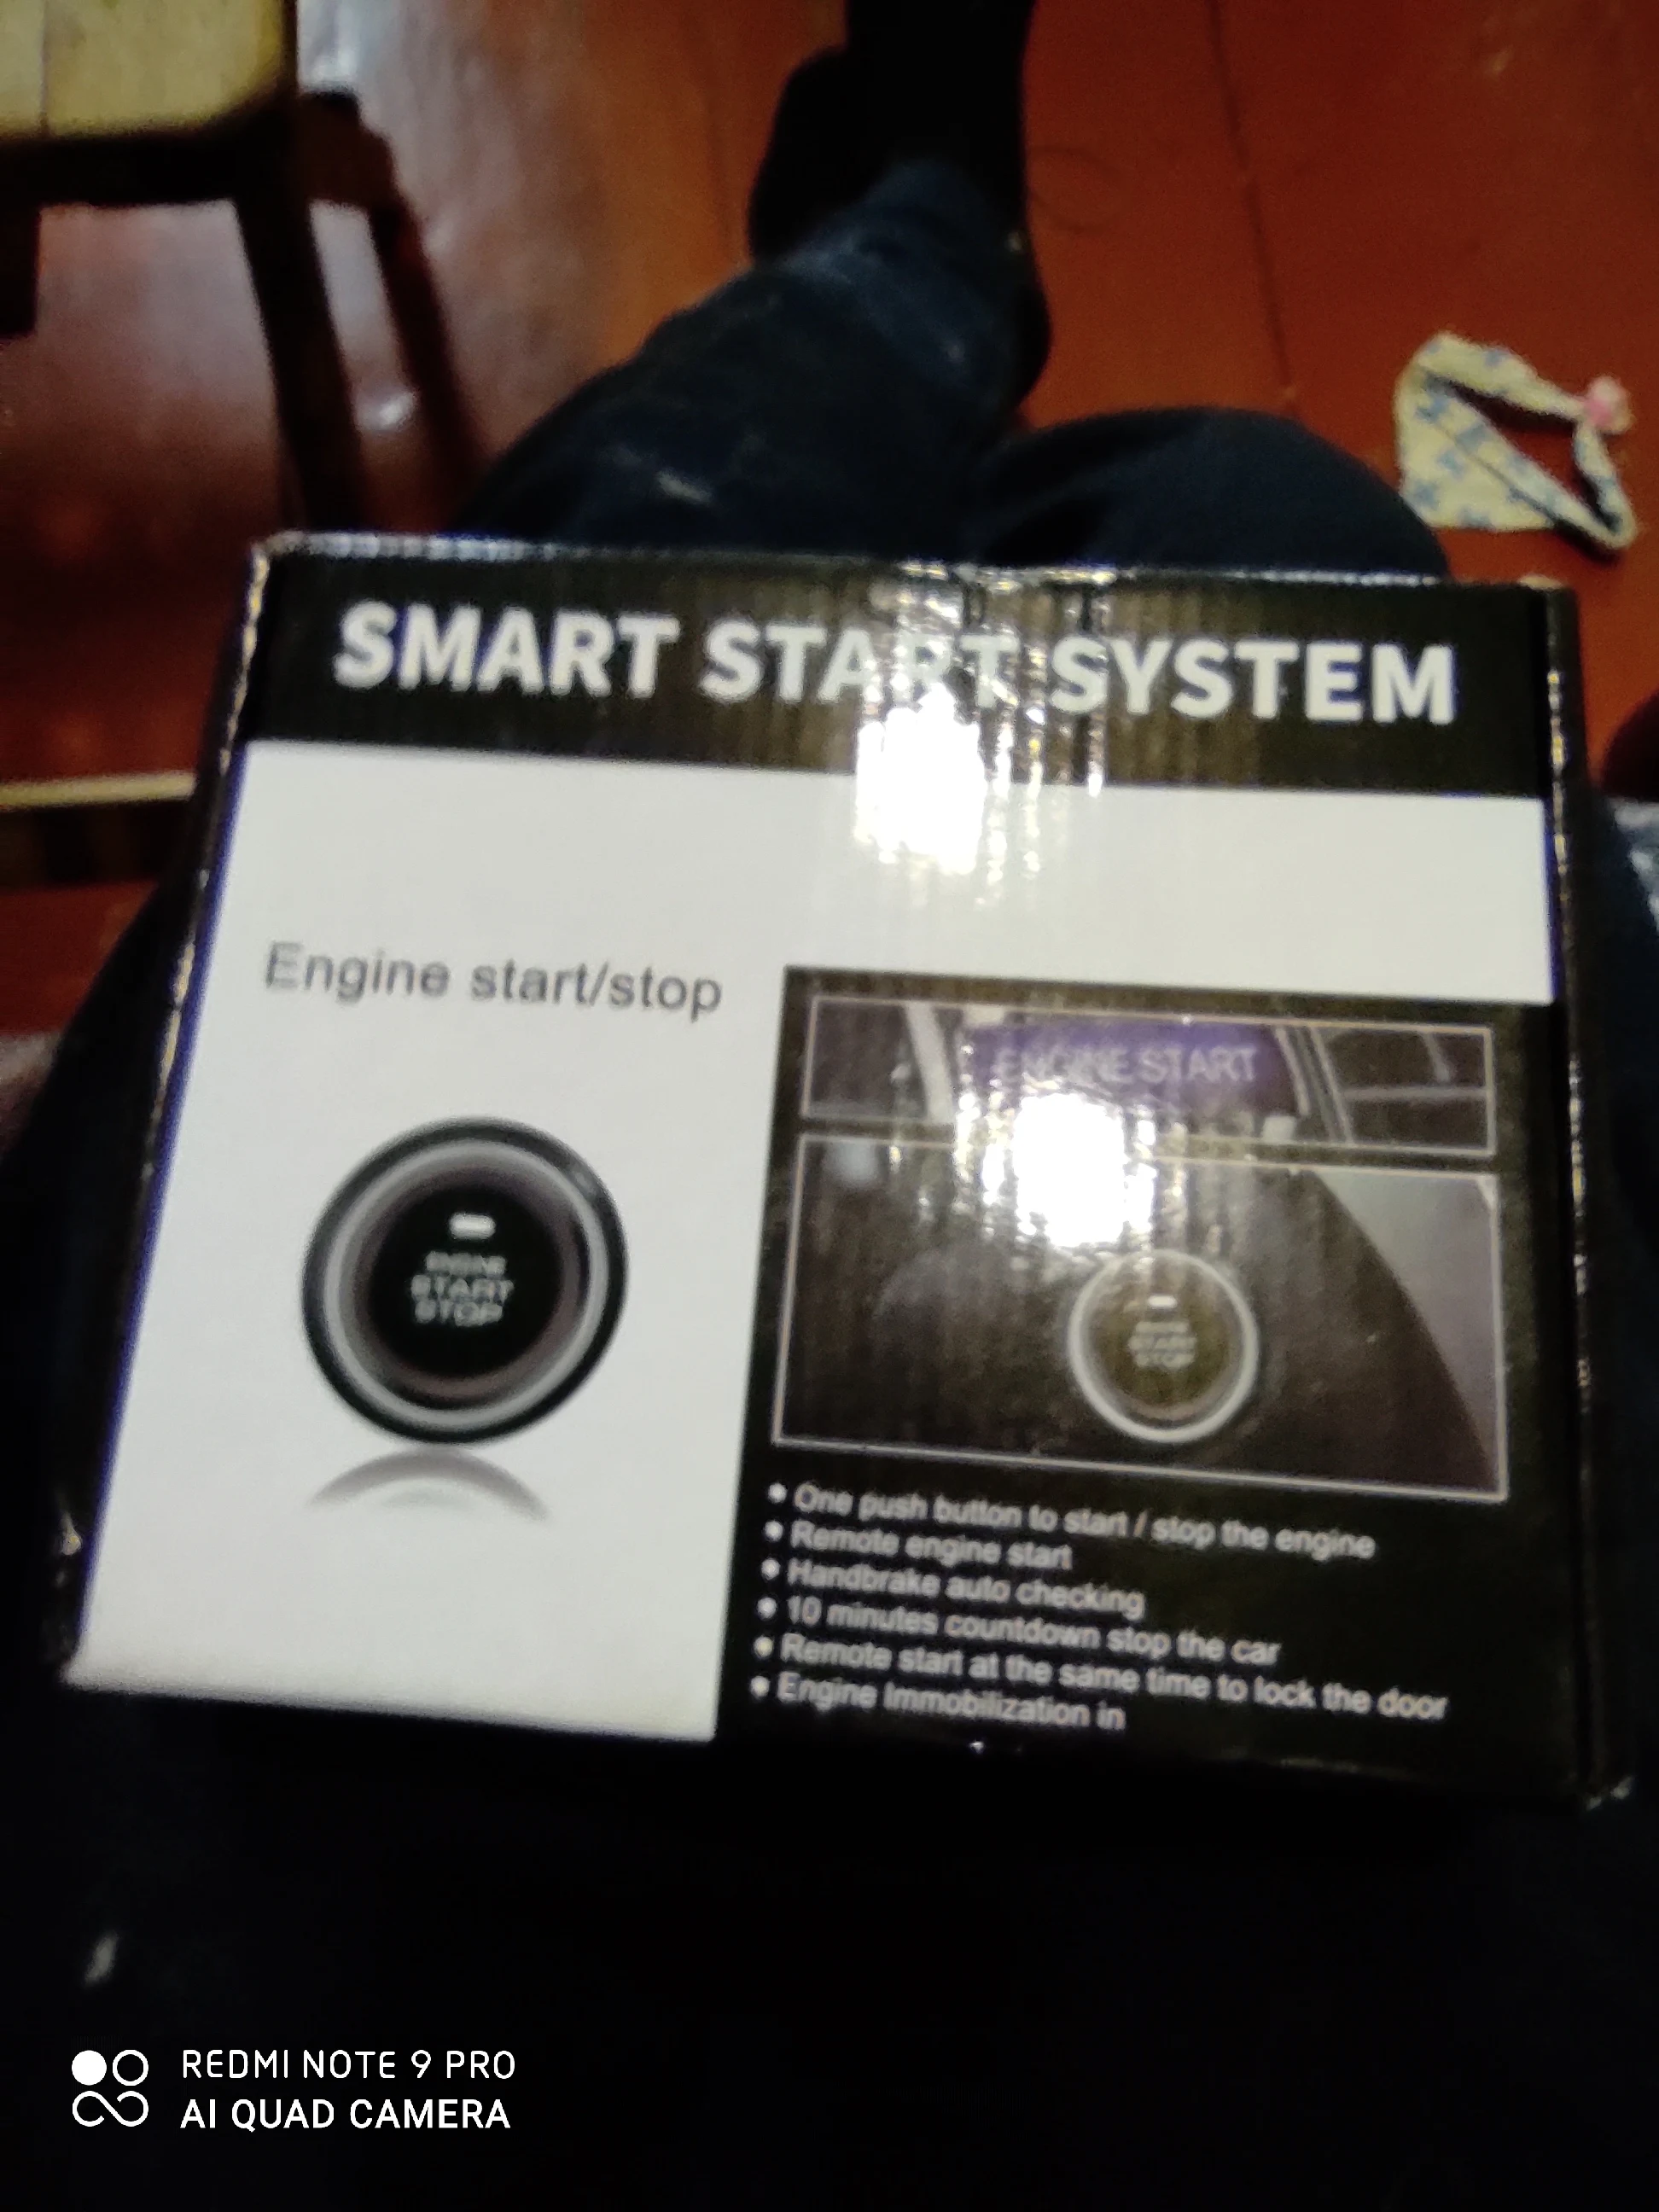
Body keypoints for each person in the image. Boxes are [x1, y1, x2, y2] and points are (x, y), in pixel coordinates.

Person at [5, 6, 1659, 2200]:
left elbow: (156, 2099)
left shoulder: (196, 2098)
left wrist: (202, 2079)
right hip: (1353, 2005)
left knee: (605, 593)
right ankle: (922, 244)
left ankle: (915, 242)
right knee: (1261, 528)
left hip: (304, 1998)